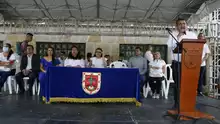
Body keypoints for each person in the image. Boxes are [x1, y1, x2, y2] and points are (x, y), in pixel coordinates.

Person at [167, 18, 197, 108]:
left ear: (186, 25)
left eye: (184, 23)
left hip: (189, 64)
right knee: (177, 84)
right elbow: (169, 47)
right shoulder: (173, 35)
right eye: (180, 24)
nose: (182, 25)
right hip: (177, 63)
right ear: (177, 26)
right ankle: (177, 103)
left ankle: (188, 103)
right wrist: (179, 36)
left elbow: (196, 47)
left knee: (188, 84)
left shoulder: (192, 35)